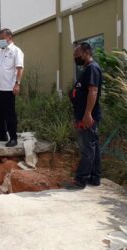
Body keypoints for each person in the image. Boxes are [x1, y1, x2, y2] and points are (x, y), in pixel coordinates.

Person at [64, 42, 102, 190]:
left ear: (86, 53)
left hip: (88, 117)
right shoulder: (87, 69)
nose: (75, 59)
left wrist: (87, 114)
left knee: (87, 149)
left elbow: (93, 91)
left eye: (77, 56)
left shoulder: (92, 68)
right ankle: (95, 177)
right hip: (84, 115)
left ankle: (80, 180)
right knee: (93, 147)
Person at [0, 28, 24, 147]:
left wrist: (17, 84)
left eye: (2, 39)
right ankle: (2, 135)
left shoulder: (16, 51)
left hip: (8, 88)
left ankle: (13, 138)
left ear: (9, 38)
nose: (0, 41)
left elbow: (20, 68)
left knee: (9, 114)